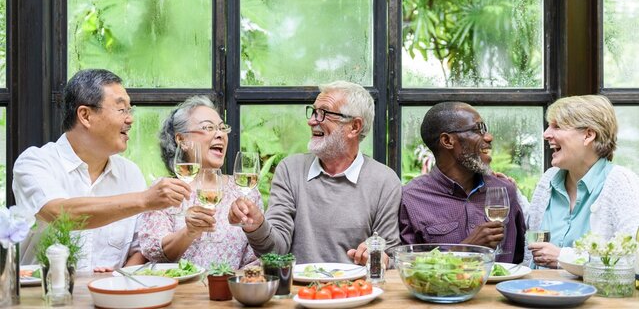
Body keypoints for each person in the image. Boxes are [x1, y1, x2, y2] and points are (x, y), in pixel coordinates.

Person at [12, 69, 191, 272]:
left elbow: (138, 249)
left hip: (108, 298)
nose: (130, 119)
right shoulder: (35, 162)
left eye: (130, 110)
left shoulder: (130, 173)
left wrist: (118, 276)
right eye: (121, 109)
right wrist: (144, 200)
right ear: (85, 115)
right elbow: (60, 214)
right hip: (43, 298)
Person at [228, 81, 402, 265]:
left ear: (354, 127)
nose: (311, 121)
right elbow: (275, 252)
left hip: (355, 291)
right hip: (297, 291)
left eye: (323, 113)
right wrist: (256, 227)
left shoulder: (384, 181)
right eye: (313, 112)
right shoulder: (290, 170)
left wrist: (377, 258)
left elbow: (389, 258)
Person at [138, 96, 262, 269]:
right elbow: (155, 253)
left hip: (229, 292)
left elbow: (257, 257)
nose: (220, 134)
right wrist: (189, 232)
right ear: (182, 140)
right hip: (178, 292)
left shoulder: (243, 190)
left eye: (222, 128)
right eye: (208, 127)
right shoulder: (164, 190)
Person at [399, 102, 526, 264]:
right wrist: (465, 249)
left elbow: (517, 258)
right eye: (478, 130)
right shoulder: (412, 199)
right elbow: (410, 268)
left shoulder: (505, 190)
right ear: (447, 140)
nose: (488, 137)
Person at [526, 95, 639, 268]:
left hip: (592, 296)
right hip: (536, 292)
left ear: (588, 135)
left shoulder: (621, 183)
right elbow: (530, 254)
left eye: (557, 126)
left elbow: (632, 260)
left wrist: (564, 258)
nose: (546, 134)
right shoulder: (548, 179)